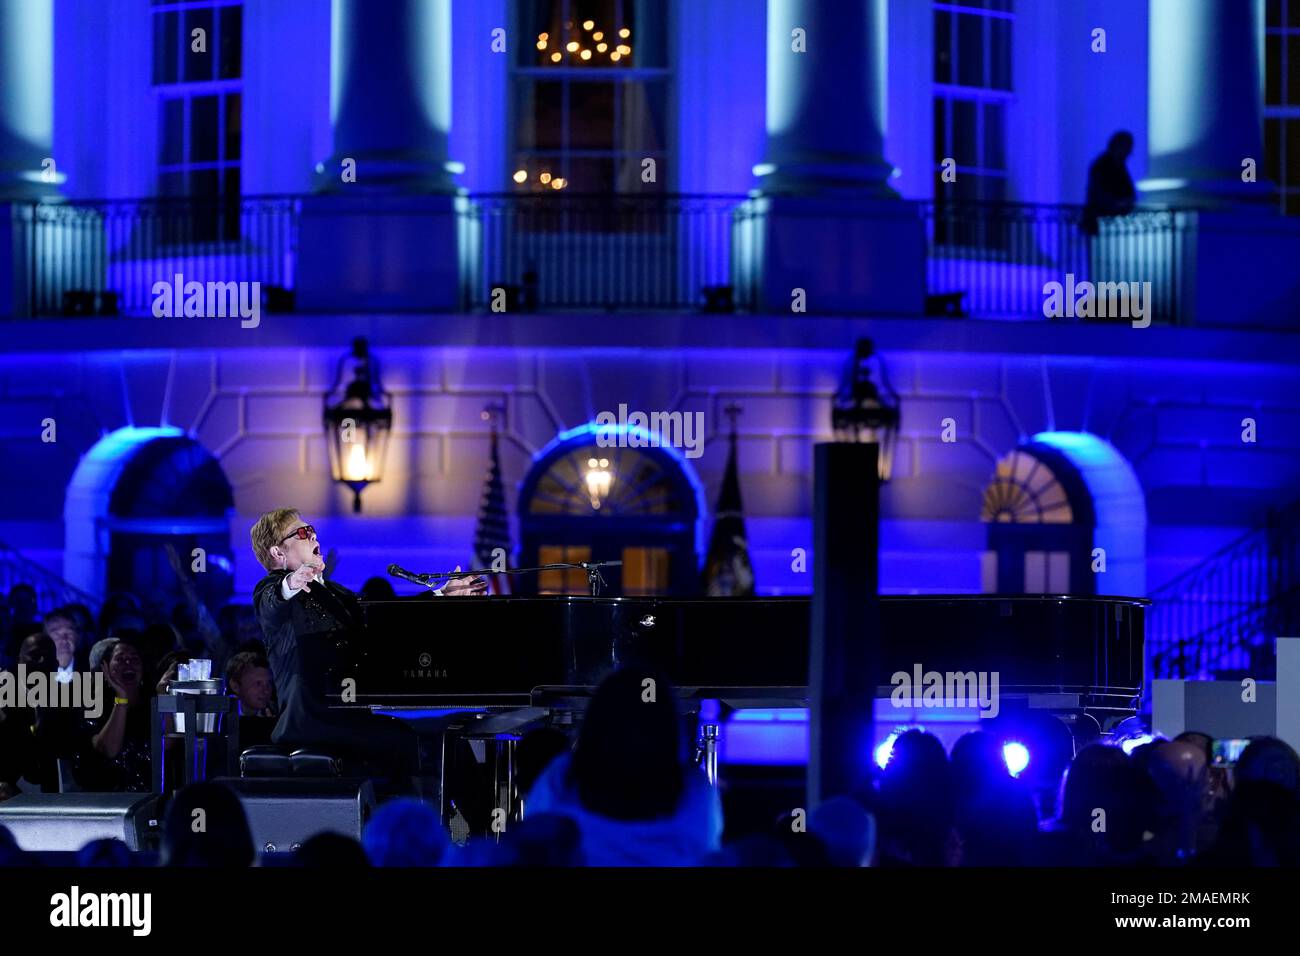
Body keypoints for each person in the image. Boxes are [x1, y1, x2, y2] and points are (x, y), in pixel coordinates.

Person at [249, 508, 486, 779]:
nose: (313, 535)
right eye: (302, 533)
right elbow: (271, 603)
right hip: (311, 720)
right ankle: (404, 818)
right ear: (278, 553)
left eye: (312, 529)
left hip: (344, 713)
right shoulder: (273, 589)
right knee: (410, 742)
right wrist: (290, 582)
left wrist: (442, 594)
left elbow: (384, 619)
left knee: (444, 737)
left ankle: (444, 815)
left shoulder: (334, 591)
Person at [525, 669, 723, 866]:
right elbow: (707, 849)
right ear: (670, 730)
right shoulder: (694, 787)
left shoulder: (562, 776)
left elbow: (531, 837)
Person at [75, 633, 153, 792]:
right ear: (105, 668)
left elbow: (168, 747)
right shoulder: (92, 707)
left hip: (152, 798)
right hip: (106, 799)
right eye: (120, 658)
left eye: (134, 658)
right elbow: (108, 749)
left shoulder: (154, 703)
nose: (128, 662)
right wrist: (122, 699)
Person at [1082, 130, 1136, 237]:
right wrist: (1117, 203)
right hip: (1099, 220)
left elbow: (1129, 191)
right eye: (1127, 148)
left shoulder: (1119, 166)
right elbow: (1098, 193)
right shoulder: (1101, 165)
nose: (1129, 153)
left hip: (1111, 220)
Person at [225, 650, 278, 747]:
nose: (265, 691)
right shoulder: (222, 720)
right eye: (258, 684)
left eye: (268, 683)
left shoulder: (277, 714)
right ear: (235, 686)